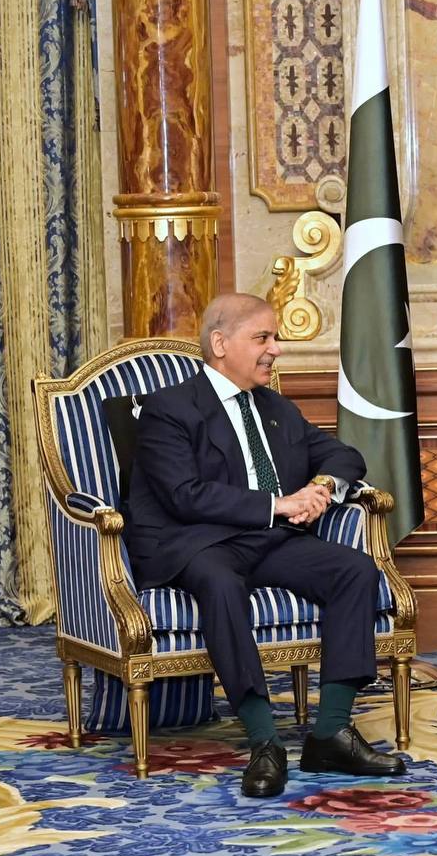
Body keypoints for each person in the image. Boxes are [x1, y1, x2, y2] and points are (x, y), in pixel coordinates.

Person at [124, 293, 406, 797]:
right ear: (220, 344)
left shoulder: (276, 407)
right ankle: (264, 742)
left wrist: (320, 488)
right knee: (219, 583)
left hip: (270, 540)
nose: (276, 349)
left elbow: (344, 455)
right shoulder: (169, 409)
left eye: (275, 338)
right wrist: (279, 504)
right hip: (199, 542)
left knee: (355, 570)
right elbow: (185, 495)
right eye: (263, 338)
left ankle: (330, 733)